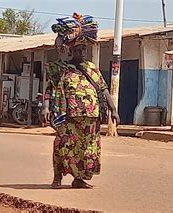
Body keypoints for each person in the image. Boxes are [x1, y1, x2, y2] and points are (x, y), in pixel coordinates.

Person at [42, 13, 120, 189]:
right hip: (68, 118)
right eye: (78, 50)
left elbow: (103, 89)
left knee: (88, 149)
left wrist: (113, 109)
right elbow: (49, 88)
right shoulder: (61, 68)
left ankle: (79, 179)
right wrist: (45, 108)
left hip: (91, 118)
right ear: (70, 50)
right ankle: (57, 178)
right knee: (63, 145)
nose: (82, 53)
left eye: (84, 49)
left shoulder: (92, 68)